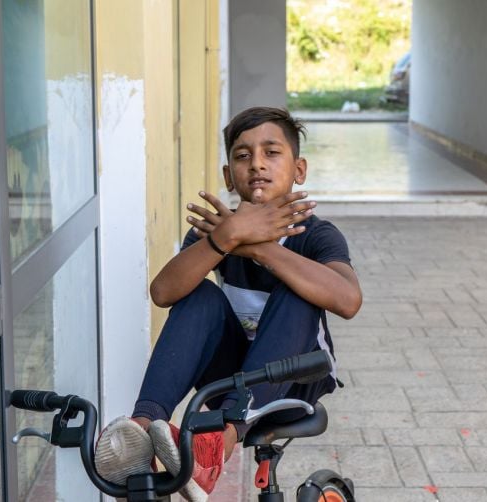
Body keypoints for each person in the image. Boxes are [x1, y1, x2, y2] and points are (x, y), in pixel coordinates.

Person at [94, 106, 362, 501]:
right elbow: (163, 293)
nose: (256, 165)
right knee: (199, 294)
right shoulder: (217, 231)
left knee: (298, 288)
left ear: (299, 169)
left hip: (292, 390)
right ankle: (141, 435)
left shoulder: (316, 235)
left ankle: (218, 447)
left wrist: (259, 248)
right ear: (228, 177)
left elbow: (348, 300)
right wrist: (227, 236)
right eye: (242, 155)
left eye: (271, 153)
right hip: (227, 383)